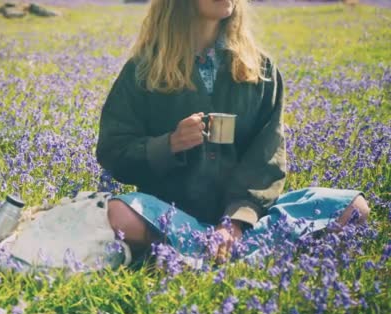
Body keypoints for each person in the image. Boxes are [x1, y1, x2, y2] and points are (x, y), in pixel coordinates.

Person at [96, 0, 370, 263]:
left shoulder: (260, 68)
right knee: (118, 214)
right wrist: (169, 144)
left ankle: (200, 249)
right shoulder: (144, 69)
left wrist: (235, 222)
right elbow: (114, 151)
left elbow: (266, 159)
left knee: (354, 208)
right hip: (169, 215)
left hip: (248, 220)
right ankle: (237, 251)